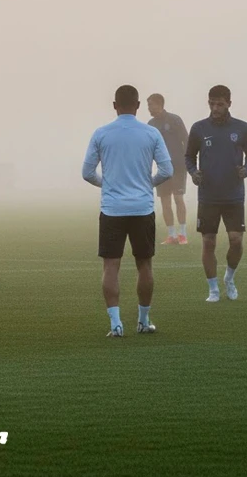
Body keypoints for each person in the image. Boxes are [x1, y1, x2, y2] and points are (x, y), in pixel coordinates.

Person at [82, 85, 172, 337]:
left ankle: (116, 324)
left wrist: (108, 184)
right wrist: (146, 184)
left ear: (114, 105)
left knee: (111, 266)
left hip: (112, 209)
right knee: (145, 264)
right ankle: (143, 321)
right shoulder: (151, 133)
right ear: (138, 105)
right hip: (142, 208)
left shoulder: (102, 133)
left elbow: (87, 172)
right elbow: (167, 170)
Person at [184, 85, 247, 303]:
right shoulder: (198, 128)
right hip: (208, 196)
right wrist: (193, 172)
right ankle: (213, 289)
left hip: (234, 195)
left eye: (220, 104)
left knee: (236, 240)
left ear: (229, 104)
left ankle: (229, 278)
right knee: (208, 242)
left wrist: (246, 169)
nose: (215, 108)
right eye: (212, 103)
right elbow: (189, 157)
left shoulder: (242, 128)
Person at [147, 94, 190, 244]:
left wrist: (187, 161)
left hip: (178, 166)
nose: (149, 108)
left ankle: (182, 234)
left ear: (159, 104)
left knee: (178, 199)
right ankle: (171, 235)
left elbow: (186, 140)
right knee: (165, 202)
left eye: (150, 105)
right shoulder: (150, 124)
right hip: (162, 169)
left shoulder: (175, 120)